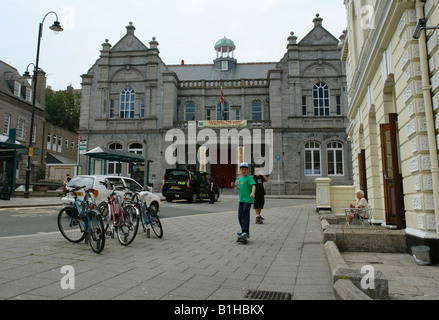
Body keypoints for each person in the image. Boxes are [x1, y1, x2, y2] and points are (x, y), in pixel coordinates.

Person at [231, 163, 256, 240]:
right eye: (242, 169)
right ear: (240, 170)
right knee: (240, 216)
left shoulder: (249, 178)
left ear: (247, 170)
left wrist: (252, 192)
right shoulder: (241, 179)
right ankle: (244, 231)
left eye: (244, 169)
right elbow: (240, 188)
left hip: (248, 199)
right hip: (241, 199)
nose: (243, 171)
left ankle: (245, 231)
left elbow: (253, 185)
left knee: (245, 215)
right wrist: (235, 186)